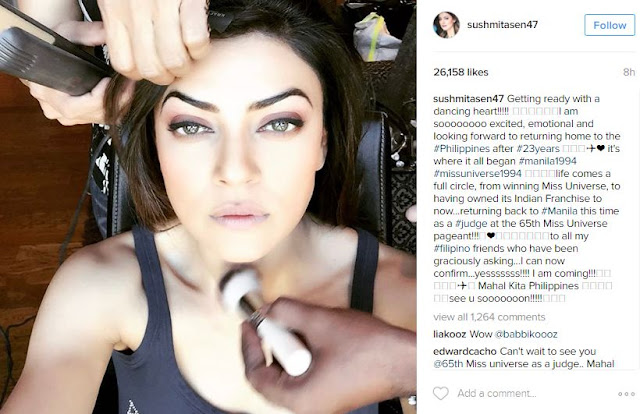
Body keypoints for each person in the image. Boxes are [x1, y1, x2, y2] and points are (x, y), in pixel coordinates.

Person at [1, 1, 416, 413]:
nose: (235, 172)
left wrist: (415, 367)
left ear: (322, 141)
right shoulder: (99, 287)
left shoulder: (409, 298)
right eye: (192, 126)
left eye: (279, 123)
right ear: (155, 142)